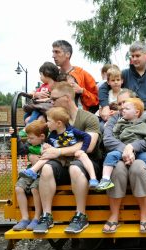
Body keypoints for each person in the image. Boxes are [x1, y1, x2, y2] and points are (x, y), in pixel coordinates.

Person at [33, 81, 102, 234]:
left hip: (86, 164)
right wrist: (46, 147)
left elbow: (88, 145)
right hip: (62, 165)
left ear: (66, 98)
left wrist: (58, 151)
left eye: (54, 99)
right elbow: (46, 140)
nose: (51, 103)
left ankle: (80, 215)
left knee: (75, 168)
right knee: (46, 168)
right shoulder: (54, 119)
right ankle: (46, 216)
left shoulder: (89, 118)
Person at [102, 89, 146, 234]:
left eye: (125, 102)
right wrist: (125, 149)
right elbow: (107, 139)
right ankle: (114, 214)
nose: (121, 106)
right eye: (119, 104)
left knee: (138, 167)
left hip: (141, 156)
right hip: (118, 156)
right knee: (117, 169)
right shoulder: (115, 118)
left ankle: (144, 214)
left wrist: (133, 147)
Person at [96, 98, 146, 200]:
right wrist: (125, 148)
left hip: (140, 152)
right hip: (122, 150)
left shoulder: (143, 125)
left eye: (126, 108)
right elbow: (114, 135)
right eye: (122, 107)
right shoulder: (120, 122)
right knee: (110, 155)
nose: (122, 110)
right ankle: (105, 179)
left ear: (137, 112)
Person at [19, 107, 99, 189]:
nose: (47, 124)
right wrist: (48, 147)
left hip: (74, 156)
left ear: (58, 123)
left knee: (83, 156)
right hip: (62, 158)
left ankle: (93, 179)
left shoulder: (72, 130)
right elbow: (51, 146)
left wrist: (83, 150)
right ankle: (32, 171)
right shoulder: (52, 135)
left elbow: (87, 136)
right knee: (47, 155)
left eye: (49, 121)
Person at [99, 41, 146, 122]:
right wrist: (105, 106)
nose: (134, 59)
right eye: (132, 56)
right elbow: (104, 87)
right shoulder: (124, 74)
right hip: (129, 113)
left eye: (137, 56)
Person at [11, 120, 48, 231]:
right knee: (18, 187)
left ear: (42, 136)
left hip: (42, 174)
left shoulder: (47, 146)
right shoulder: (30, 145)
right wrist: (15, 136)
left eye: (31, 138)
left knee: (35, 189)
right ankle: (25, 218)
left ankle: (37, 217)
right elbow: (20, 150)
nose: (29, 140)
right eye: (28, 138)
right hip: (30, 172)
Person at [52, 40, 99, 113]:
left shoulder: (82, 74)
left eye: (57, 52)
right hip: (54, 115)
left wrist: (82, 91)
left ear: (67, 54)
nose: (53, 56)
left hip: (77, 116)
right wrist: (37, 94)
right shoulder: (53, 74)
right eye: (53, 52)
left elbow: (95, 101)